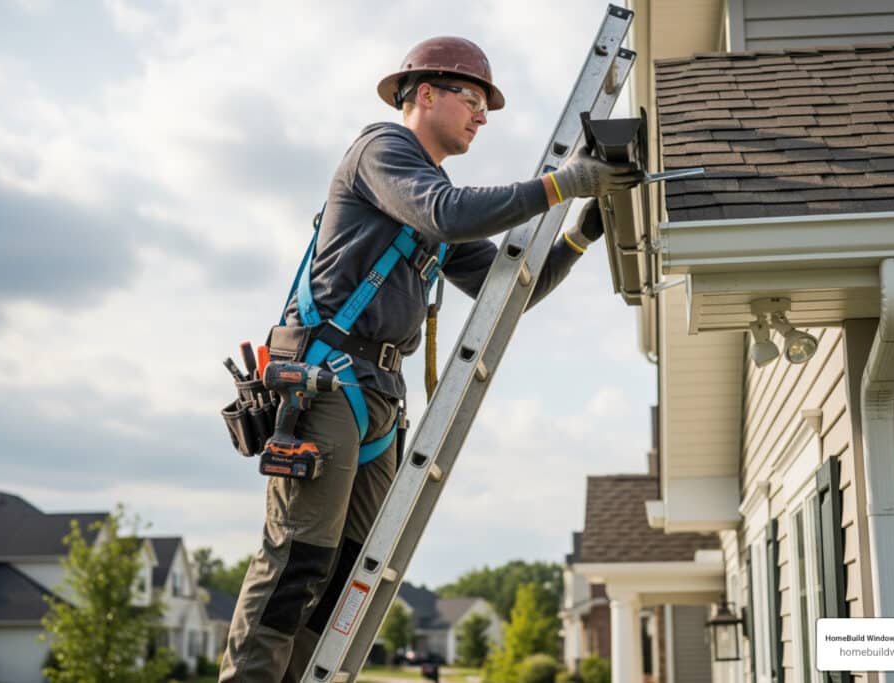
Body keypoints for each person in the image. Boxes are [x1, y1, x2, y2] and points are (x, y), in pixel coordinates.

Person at [220, 36, 641, 682]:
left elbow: (513, 289)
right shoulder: (382, 152)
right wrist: (560, 183)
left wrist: (580, 233)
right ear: (423, 95)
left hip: (379, 396)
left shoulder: (432, 197)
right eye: (472, 99)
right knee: (298, 562)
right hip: (325, 380)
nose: (480, 116)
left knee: (344, 576)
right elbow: (446, 213)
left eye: (485, 108)